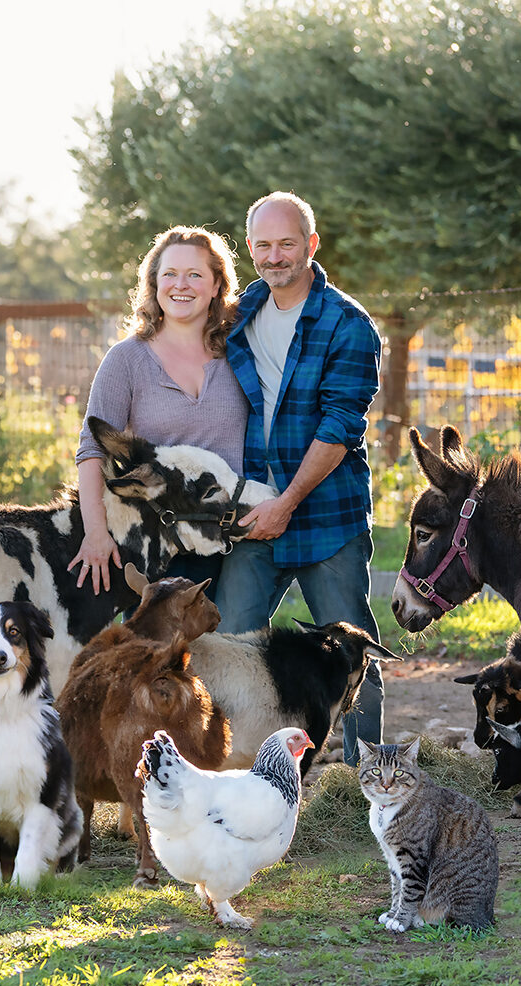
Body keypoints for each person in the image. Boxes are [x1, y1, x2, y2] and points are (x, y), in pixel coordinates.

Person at [213, 191, 384, 765]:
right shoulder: (238, 315)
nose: (274, 255)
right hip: (254, 516)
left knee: (351, 645)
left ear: (311, 245)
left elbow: (339, 427)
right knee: (231, 639)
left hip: (325, 517)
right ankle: (233, 770)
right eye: (262, 245)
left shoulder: (348, 325)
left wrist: (285, 502)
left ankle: (368, 775)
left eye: (287, 243)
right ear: (250, 249)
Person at [69, 226, 248, 598]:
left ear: (217, 285)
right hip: (156, 545)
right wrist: (96, 533)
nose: (180, 284)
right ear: (154, 283)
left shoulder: (241, 355)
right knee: (159, 654)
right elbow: (92, 449)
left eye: (195, 274)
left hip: (234, 542)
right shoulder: (127, 359)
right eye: (169, 274)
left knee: (231, 651)